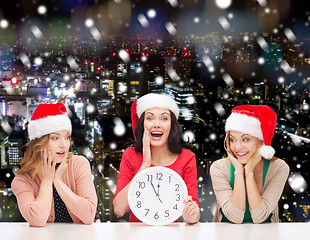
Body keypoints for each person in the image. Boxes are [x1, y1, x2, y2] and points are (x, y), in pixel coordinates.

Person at [113, 93, 200, 224]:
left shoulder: (187, 158)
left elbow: (194, 214)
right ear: (142, 124)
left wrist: (191, 215)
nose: (157, 124)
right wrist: (144, 166)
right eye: (150, 118)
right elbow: (119, 209)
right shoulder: (130, 156)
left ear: (172, 125)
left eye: (164, 119)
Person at [12, 103, 97, 227]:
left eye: (67, 137)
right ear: (39, 142)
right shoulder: (23, 180)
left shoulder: (79, 164)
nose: (63, 144)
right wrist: (47, 181)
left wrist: (58, 181)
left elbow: (89, 215)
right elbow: (37, 220)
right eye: (55, 138)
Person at [210, 105, 289, 223]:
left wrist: (249, 172)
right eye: (232, 139)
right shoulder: (219, 168)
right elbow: (235, 217)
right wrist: (238, 170)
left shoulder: (278, 167)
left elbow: (259, 217)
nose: (237, 147)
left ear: (261, 141)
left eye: (245, 139)